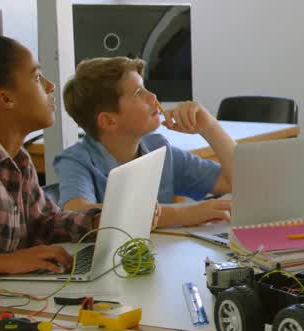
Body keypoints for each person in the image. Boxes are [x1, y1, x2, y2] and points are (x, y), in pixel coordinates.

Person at [0, 36, 101, 282]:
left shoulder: (18, 160)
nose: (51, 86)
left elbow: (44, 225)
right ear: (6, 99)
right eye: (36, 77)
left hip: (3, 300)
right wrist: (2, 263)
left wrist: (96, 221)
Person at [55, 57, 234, 227]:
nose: (153, 97)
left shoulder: (158, 148)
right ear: (109, 121)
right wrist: (184, 214)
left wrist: (209, 126)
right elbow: (76, 212)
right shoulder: (76, 161)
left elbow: (236, 181)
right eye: (139, 93)